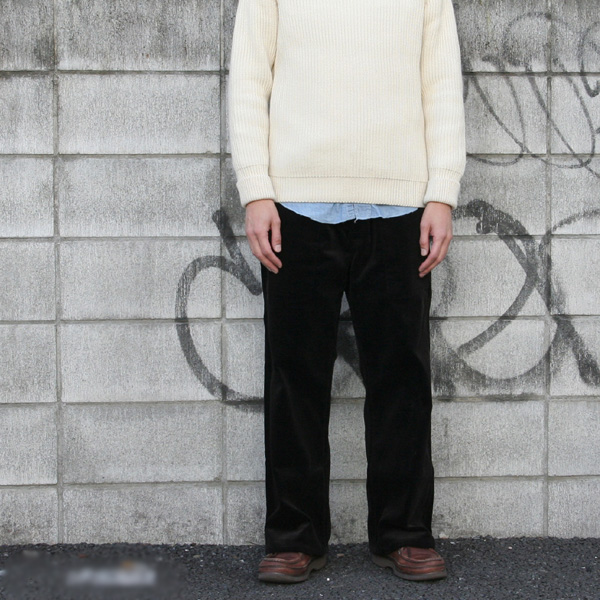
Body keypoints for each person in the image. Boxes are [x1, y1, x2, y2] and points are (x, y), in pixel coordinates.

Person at [227, 0, 466, 584]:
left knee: (402, 377)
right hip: (295, 204)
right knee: (294, 379)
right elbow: (250, 77)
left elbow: (440, 82)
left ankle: (404, 533)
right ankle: (294, 537)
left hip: (400, 205)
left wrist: (442, 193)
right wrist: (256, 190)